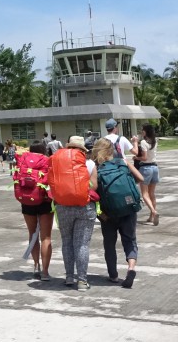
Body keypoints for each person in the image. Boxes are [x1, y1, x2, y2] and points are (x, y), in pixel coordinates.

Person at [93, 138, 144, 288]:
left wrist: (100, 213)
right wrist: (126, 166)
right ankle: (131, 268)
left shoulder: (96, 168)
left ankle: (113, 275)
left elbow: (92, 191)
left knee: (109, 244)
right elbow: (140, 178)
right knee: (130, 240)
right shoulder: (122, 162)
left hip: (107, 213)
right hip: (128, 209)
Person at [51, 136, 98, 291]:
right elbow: (94, 187)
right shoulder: (89, 163)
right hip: (84, 207)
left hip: (63, 206)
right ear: (82, 149)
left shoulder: (57, 161)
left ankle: (69, 277)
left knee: (67, 241)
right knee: (82, 244)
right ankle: (82, 281)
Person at [17, 141, 53, 281]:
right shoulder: (47, 161)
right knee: (46, 237)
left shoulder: (23, 160)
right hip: (45, 201)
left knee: (32, 234)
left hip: (27, 201)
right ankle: (45, 272)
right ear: (44, 150)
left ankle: (36, 265)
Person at [134, 123, 160, 225]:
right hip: (155, 168)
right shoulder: (155, 141)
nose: (141, 132)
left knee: (144, 194)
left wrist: (136, 158)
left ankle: (154, 212)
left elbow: (144, 158)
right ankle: (151, 216)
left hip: (146, 168)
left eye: (142, 130)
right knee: (152, 194)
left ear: (146, 131)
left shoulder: (144, 142)